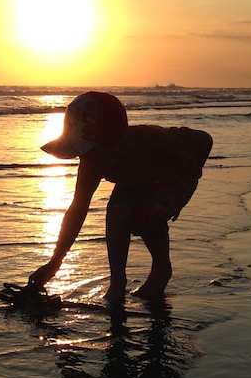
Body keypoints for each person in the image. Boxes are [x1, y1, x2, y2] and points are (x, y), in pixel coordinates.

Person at [29, 91, 213, 302]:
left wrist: (181, 189)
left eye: (92, 152)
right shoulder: (91, 163)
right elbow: (78, 207)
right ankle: (118, 283)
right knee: (117, 213)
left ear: (118, 142)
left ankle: (162, 269)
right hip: (133, 183)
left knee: (146, 217)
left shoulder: (153, 139)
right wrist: (55, 263)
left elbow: (204, 140)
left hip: (170, 181)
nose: (87, 160)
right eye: (81, 152)